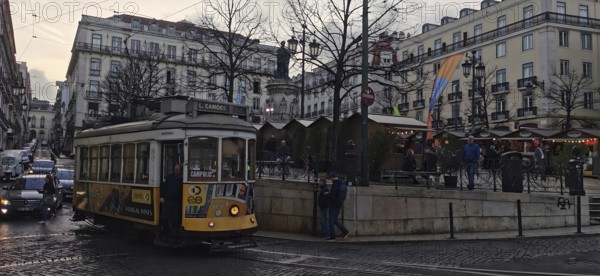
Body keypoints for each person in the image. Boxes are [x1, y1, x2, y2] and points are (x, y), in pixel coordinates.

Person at [159, 164, 184, 244]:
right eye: (175, 170)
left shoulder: (183, 179)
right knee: (164, 217)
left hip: (177, 202)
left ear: (181, 171)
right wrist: (162, 196)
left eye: (177, 170)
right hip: (168, 201)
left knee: (176, 220)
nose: (176, 171)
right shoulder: (170, 177)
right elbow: (164, 187)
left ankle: (173, 237)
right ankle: (167, 232)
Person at [326, 171, 349, 241]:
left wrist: (327, 194)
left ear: (332, 177)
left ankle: (333, 236)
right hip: (339, 204)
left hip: (333, 204)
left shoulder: (335, 184)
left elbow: (333, 195)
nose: (330, 179)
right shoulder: (341, 183)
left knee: (331, 220)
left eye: (330, 178)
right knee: (335, 219)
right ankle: (345, 231)